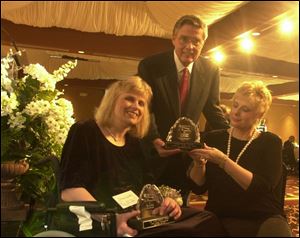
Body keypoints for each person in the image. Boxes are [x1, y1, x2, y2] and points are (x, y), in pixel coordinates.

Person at [59, 76, 225, 237]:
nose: (135, 106)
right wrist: (111, 219)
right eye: (129, 99)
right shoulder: (85, 131)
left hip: (138, 214)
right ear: (112, 100)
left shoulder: (134, 142)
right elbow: (70, 191)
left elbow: (147, 186)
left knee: (205, 219)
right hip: (102, 217)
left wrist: (167, 202)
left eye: (141, 103)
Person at [137, 15, 229, 201]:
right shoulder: (151, 65)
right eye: (184, 39)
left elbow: (212, 109)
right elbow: (145, 107)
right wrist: (154, 139)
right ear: (173, 39)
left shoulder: (211, 69)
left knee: (180, 208)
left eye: (196, 41)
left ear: (203, 43)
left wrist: (233, 136)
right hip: (154, 153)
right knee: (149, 209)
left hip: (186, 157)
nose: (190, 46)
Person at [187, 81, 292, 236]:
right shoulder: (214, 138)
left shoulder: (271, 142)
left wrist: (224, 161)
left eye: (245, 109)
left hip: (263, 216)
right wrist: (198, 164)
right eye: (235, 105)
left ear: (259, 115)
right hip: (219, 214)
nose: (236, 112)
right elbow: (198, 187)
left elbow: (261, 188)